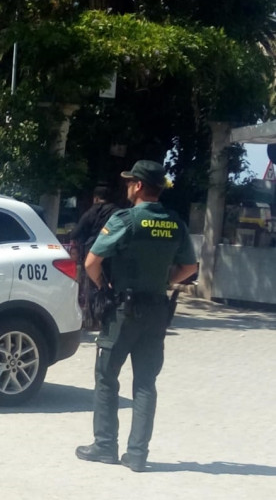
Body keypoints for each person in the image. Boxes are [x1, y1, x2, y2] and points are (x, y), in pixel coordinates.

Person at [75, 160, 198, 472]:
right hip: (157, 309)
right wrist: (165, 280)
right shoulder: (175, 223)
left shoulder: (126, 220)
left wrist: (105, 286)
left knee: (106, 376)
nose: (127, 186)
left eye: (131, 182)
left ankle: (105, 446)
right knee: (145, 383)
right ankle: (137, 454)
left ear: (140, 186)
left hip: (123, 310)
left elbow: (92, 262)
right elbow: (190, 268)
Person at [68, 186, 119, 327]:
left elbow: (75, 234)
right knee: (111, 284)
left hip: (92, 253)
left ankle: (92, 319)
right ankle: (110, 315)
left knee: (91, 285)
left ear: (95, 198)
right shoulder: (117, 213)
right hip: (112, 254)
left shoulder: (89, 213)